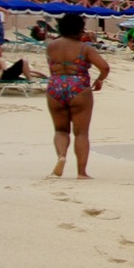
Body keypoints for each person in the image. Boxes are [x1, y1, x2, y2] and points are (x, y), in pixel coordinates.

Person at [44, 12, 109, 178]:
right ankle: (81, 172)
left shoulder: (51, 46)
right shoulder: (84, 48)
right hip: (78, 87)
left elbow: (50, 64)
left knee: (60, 130)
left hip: (55, 86)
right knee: (81, 133)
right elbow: (104, 67)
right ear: (79, 28)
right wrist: (100, 80)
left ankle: (61, 156)